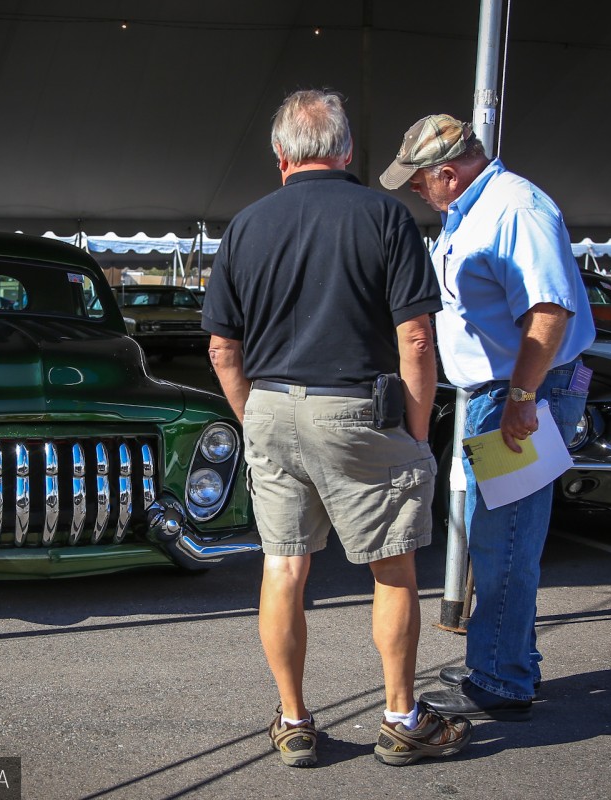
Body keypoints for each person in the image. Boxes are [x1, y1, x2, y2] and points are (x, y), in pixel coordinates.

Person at [202, 90, 472, 767]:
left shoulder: (245, 226)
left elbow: (221, 350)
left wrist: (254, 417)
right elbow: (415, 338)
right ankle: (401, 719)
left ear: (280, 157)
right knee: (392, 565)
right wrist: (414, 431)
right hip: (357, 409)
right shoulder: (386, 216)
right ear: (347, 151)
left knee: (284, 565)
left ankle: (293, 721)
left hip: (268, 405)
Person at [380, 114, 594, 721]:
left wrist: (523, 400)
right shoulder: (478, 208)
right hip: (508, 389)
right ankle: (503, 656)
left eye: (419, 181)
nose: (415, 191)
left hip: (518, 391)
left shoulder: (515, 209)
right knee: (499, 532)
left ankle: (501, 677)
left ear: (448, 173)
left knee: (502, 538)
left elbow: (549, 309)